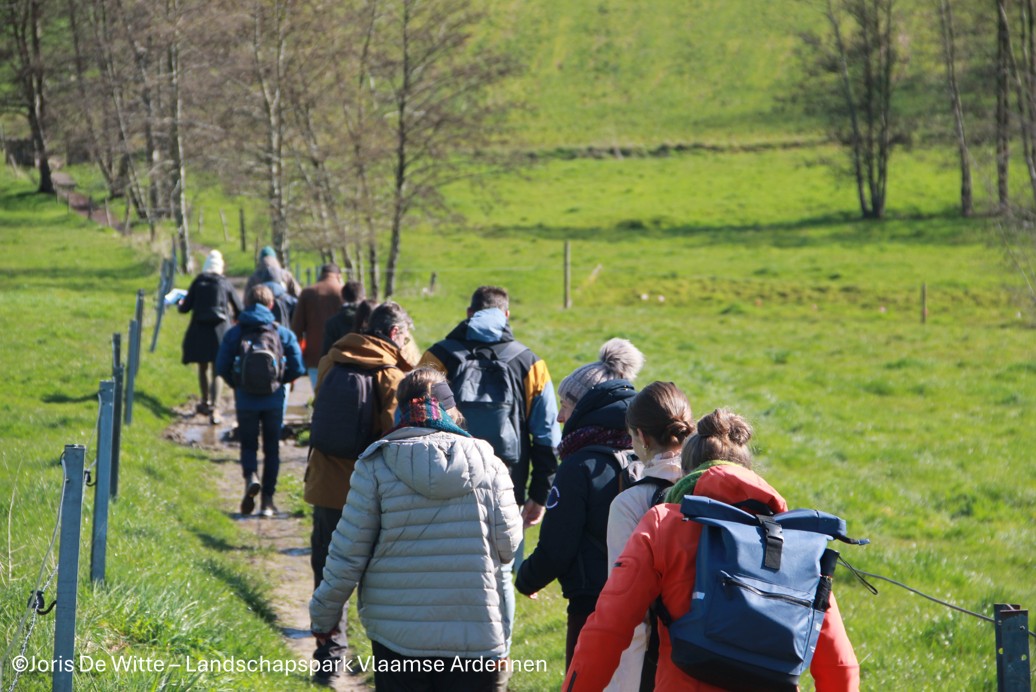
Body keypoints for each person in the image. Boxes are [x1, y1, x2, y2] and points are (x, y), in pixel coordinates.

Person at [563, 410, 860, 691]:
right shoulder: (799, 543)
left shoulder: (664, 523)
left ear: (686, 472)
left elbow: (607, 629)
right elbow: (840, 665)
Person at [309, 367, 522, 691]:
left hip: (397, 635)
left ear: (401, 409)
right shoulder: (490, 464)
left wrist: (323, 618)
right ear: (451, 410)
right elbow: (508, 546)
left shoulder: (376, 464)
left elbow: (347, 553)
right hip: (475, 629)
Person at [515, 338, 644, 669]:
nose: (560, 416)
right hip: (644, 602)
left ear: (586, 410)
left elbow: (558, 544)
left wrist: (528, 579)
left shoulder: (579, 465)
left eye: (566, 406)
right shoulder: (644, 456)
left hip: (592, 603)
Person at [304, 300, 415, 683]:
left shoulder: (331, 360)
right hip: (369, 492)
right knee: (377, 576)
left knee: (328, 570)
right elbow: (394, 436)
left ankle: (329, 654)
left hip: (325, 485)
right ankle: (379, 658)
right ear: (397, 334)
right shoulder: (393, 376)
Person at [419, 286, 561, 562]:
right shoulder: (531, 363)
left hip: (444, 480)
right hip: (508, 484)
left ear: (469, 314)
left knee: (446, 570)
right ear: (506, 315)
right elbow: (547, 436)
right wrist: (540, 494)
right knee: (502, 572)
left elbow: (412, 420)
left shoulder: (436, 358)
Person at [604, 381, 695, 691]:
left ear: (640, 437)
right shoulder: (720, 489)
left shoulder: (630, 504)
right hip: (728, 657)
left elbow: (629, 613)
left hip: (663, 665)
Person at [216, 284, 304, 517]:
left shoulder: (235, 332)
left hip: (245, 399)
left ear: (246, 303)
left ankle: (250, 478)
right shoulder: (281, 333)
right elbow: (298, 367)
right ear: (271, 305)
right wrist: (279, 381)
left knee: (248, 445)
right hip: (274, 399)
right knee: (272, 450)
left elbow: (221, 366)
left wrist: (237, 384)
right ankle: (267, 501)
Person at [177, 249, 242, 425]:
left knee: (202, 366)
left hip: (199, 330)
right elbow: (239, 308)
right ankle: (215, 406)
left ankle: (204, 401)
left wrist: (180, 303)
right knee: (218, 369)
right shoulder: (224, 283)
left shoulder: (198, 282)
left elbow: (184, 308)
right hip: (221, 331)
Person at [290, 263, 344, 388]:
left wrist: (294, 358)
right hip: (340, 357)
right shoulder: (343, 292)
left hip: (315, 357)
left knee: (319, 397)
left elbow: (296, 329)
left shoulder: (308, 292)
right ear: (338, 276)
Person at [321, 280, 366, 357]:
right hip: (365, 365)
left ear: (342, 298)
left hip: (339, 366)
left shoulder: (332, 322)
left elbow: (327, 353)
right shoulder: (369, 321)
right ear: (364, 298)